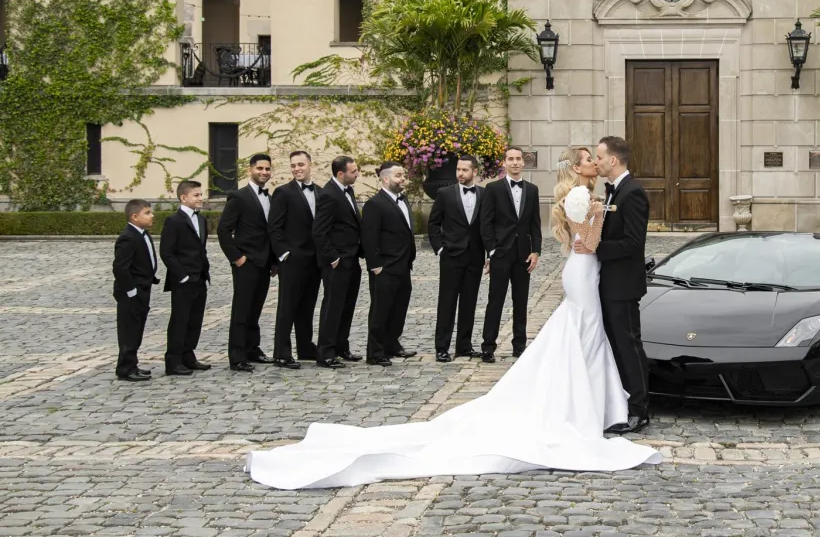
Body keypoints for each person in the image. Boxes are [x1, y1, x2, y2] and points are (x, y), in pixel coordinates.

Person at [245, 145, 662, 490]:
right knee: (584, 334)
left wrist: (598, 226)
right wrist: (596, 227)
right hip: (584, 269)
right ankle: (589, 405)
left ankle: (604, 401)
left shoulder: (600, 194)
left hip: (590, 274)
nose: (596, 161)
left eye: (598, 156)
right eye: (591, 158)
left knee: (590, 336)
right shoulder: (579, 197)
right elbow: (587, 243)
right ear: (579, 167)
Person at [588, 135, 652, 434]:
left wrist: (594, 248)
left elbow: (633, 243)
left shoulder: (633, 193)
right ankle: (624, 402)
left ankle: (639, 410)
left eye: (599, 157)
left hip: (623, 285)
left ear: (613, 160)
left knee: (628, 346)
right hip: (611, 283)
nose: (597, 161)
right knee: (618, 345)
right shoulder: (613, 191)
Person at [479, 147, 542, 363]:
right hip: (501, 253)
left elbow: (535, 224)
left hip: (523, 255)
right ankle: (488, 346)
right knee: (495, 300)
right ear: (504, 163)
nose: (515, 163)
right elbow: (486, 222)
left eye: (518, 159)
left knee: (521, 301)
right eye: (511, 159)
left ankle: (520, 345)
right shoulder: (493, 188)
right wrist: (492, 250)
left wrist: (536, 251)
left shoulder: (532, 190)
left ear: (523, 162)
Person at [217, 153, 277, 372]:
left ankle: (253, 348)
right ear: (251, 170)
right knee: (241, 310)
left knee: (256, 309)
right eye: (260, 168)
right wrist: (237, 257)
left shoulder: (270, 198)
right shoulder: (239, 197)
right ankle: (237, 355)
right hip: (246, 262)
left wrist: (273, 262)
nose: (264, 172)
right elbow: (223, 230)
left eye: (267, 169)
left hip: (264, 263)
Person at [428, 155, 486, 363]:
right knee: (447, 302)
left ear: (475, 172)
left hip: (475, 257)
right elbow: (433, 224)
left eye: (464, 170)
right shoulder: (444, 194)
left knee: (469, 303)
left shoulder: (484, 194)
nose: (460, 173)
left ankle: (464, 346)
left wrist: (489, 252)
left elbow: (486, 226)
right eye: (458, 170)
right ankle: (442, 347)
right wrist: (440, 250)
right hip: (451, 256)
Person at [268, 150, 322, 367]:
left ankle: (305, 347)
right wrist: (284, 254)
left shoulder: (320, 192)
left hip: (314, 260)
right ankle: (281, 352)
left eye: (301, 164)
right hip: (292, 260)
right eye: (293, 165)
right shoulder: (283, 192)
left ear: (310, 165)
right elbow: (274, 227)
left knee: (307, 306)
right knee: (287, 307)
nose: (297, 168)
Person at [361, 162, 418, 367]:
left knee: (399, 308)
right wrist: (375, 266)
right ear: (385, 179)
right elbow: (369, 238)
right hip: (384, 267)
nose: (402, 178)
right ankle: (375, 352)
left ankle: (391, 344)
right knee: (380, 310)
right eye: (398, 175)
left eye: (403, 175)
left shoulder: (403, 200)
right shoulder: (374, 204)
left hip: (403, 266)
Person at [312, 155, 364, 369]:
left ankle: (341, 346)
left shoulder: (347, 190)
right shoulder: (329, 195)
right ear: (340, 173)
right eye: (353, 172)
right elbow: (319, 231)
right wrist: (332, 258)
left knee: (347, 306)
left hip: (352, 259)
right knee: (333, 307)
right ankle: (325, 352)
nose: (357, 174)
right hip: (337, 262)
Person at [160, 180, 212, 376]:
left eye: (200, 194)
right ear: (183, 198)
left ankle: (188, 355)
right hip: (183, 281)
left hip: (200, 278)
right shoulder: (174, 221)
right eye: (196, 195)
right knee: (180, 320)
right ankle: (173, 361)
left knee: (195, 319)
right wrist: (182, 276)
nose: (200, 198)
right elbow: (167, 252)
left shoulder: (201, 220)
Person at [112, 199, 159, 382]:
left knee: (137, 329)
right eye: (147, 213)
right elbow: (120, 268)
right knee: (129, 331)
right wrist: (131, 291)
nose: (151, 215)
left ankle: (132, 364)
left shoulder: (142, 234)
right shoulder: (128, 237)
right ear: (134, 216)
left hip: (143, 289)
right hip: (131, 293)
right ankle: (125, 368)